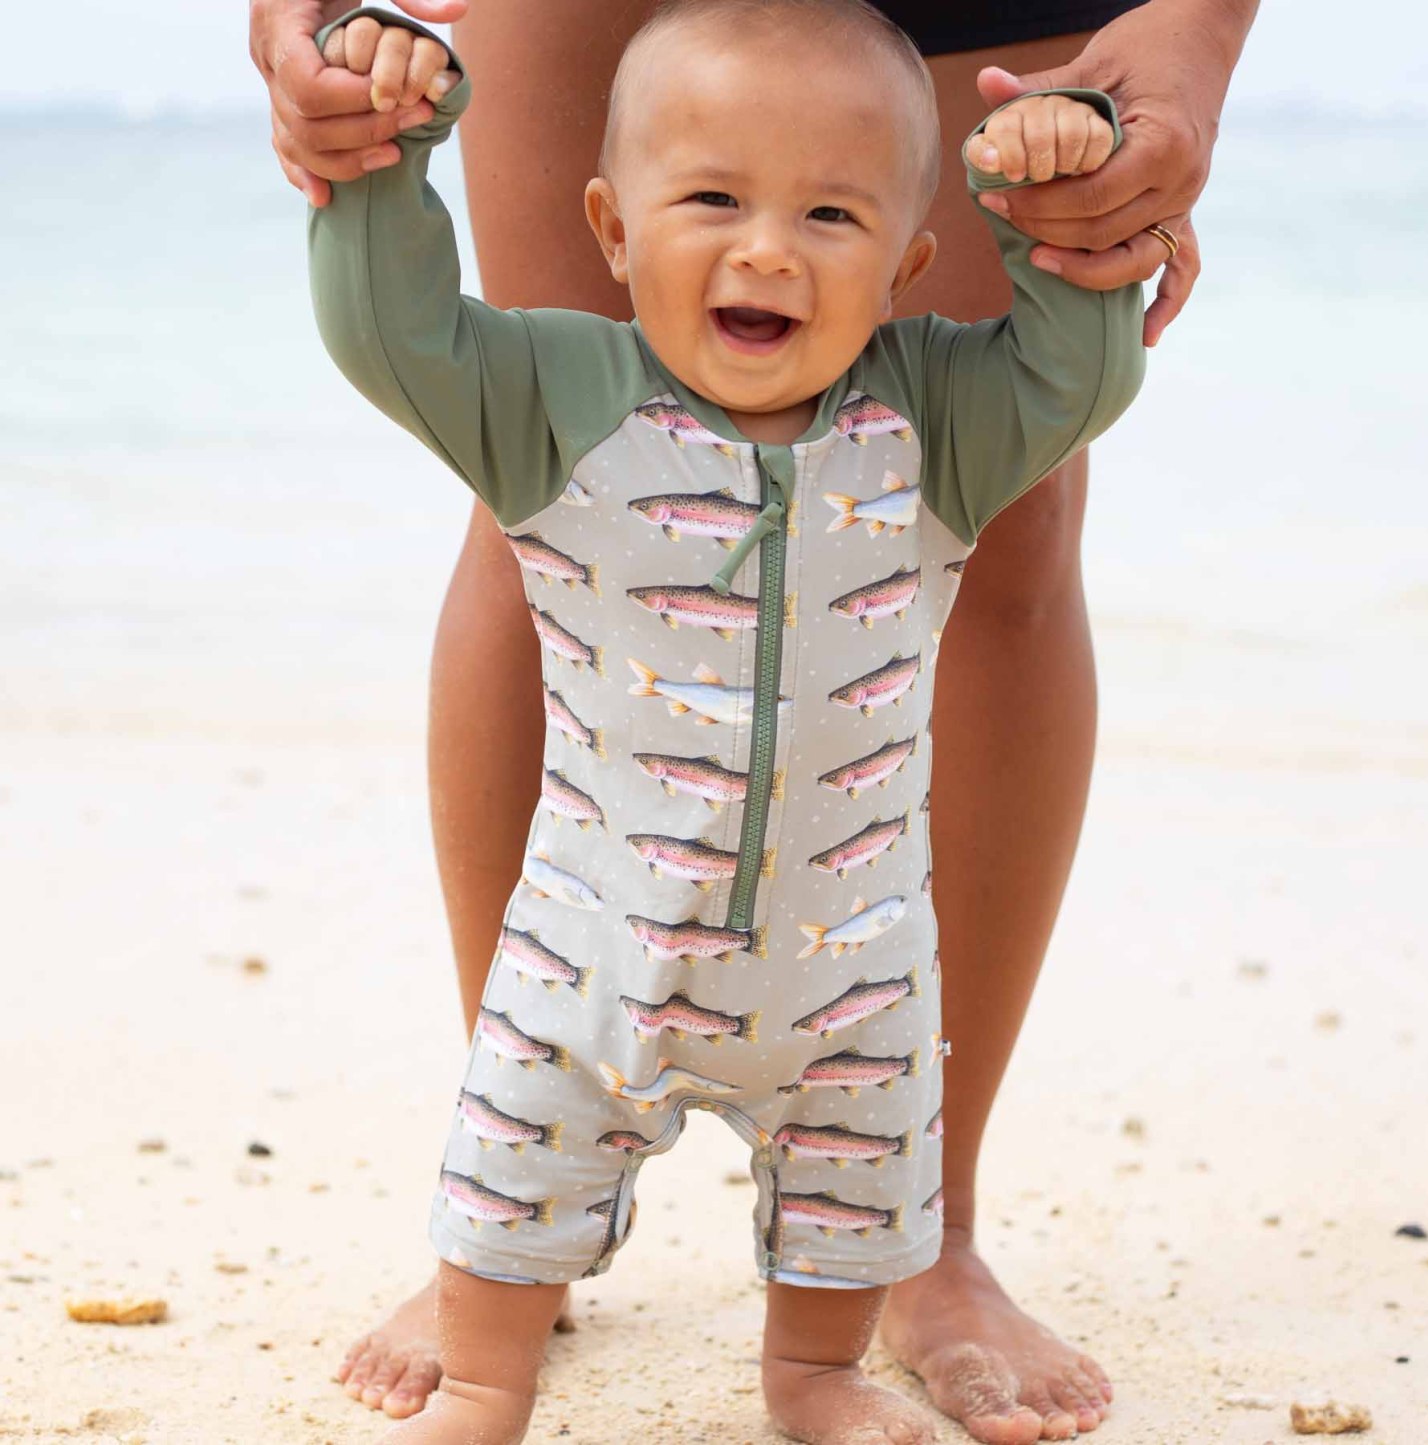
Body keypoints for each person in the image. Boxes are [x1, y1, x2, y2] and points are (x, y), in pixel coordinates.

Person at [253, 0, 1257, 1439]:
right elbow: (396, 335)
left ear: (907, 269)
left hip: (846, 971)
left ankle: (843, 1340)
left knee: (862, 1158)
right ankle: (492, 1344)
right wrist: (377, 167)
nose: (770, 252)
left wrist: (1060, 212)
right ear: (612, 229)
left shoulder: (931, 421)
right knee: (523, 1138)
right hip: (595, 949)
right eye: (714, 205)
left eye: (831, 218)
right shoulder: (558, 397)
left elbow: (1075, 379)